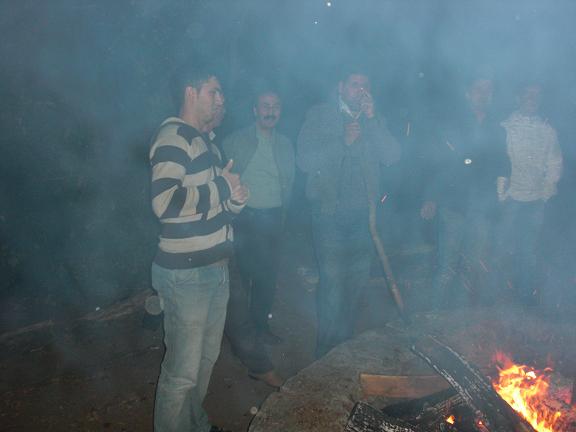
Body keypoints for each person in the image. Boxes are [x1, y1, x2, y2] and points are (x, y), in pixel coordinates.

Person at [149, 65, 248, 432]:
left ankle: (195, 424)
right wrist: (222, 187)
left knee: (204, 363)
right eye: (213, 92)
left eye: (221, 93)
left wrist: (234, 199)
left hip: (215, 267)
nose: (220, 99)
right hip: (186, 274)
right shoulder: (174, 137)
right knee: (182, 374)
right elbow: (165, 203)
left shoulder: (207, 143)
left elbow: (211, 207)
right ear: (191, 93)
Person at [297, 69, 401, 358]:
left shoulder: (374, 120)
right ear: (340, 87)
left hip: (365, 219)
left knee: (355, 286)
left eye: (366, 85)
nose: (361, 90)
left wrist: (373, 120)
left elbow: (392, 156)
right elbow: (304, 161)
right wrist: (341, 142)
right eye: (355, 85)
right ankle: (325, 355)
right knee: (332, 287)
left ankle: (343, 350)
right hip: (328, 216)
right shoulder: (320, 115)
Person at [221, 90, 293, 388]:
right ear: (255, 110)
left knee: (267, 277)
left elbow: (289, 181)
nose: (270, 111)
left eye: (275, 106)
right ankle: (243, 338)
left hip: (274, 217)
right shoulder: (235, 140)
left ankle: (260, 328)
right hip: (246, 218)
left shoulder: (285, 143)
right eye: (265, 106)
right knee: (244, 278)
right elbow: (224, 176)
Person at [420, 77, 509, 308]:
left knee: (472, 267)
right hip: (453, 205)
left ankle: (459, 317)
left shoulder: (497, 129)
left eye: (488, 90)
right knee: (446, 267)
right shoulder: (453, 124)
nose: (484, 94)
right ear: (467, 93)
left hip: (482, 209)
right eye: (479, 89)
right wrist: (430, 197)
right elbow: (437, 163)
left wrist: (501, 198)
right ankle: (434, 315)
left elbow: (502, 165)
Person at [499, 84, 563, 306]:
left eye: (537, 95)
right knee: (500, 247)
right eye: (528, 94)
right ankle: (493, 299)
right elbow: (497, 162)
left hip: (535, 201)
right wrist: (501, 194)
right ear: (518, 98)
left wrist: (545, 193)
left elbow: (555, 164)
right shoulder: (505, 127)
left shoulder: (547, 131)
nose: (532, 98)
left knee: (528, 252)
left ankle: (524, 299)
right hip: (509, 199)